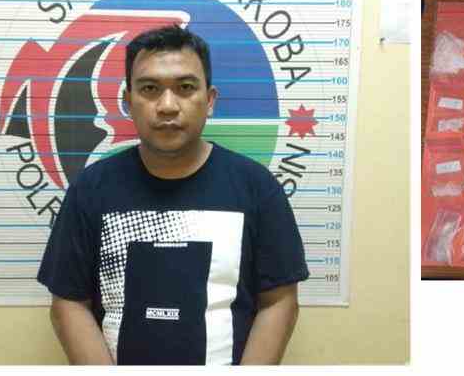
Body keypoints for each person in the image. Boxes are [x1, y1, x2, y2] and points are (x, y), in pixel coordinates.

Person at [37, 24, 309, 365]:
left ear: (209, 100)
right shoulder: (91, 190)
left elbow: (279, 302)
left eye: (185, 88)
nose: (167, 105)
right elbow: (69, 303)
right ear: (128, 101)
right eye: (150, 88)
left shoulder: (257, 188)